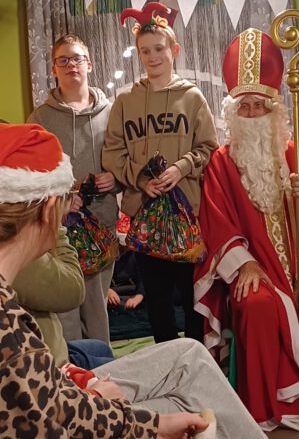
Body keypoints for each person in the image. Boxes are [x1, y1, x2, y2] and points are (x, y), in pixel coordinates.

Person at [0, 122, 267, 439]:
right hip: (79, 410)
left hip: (70, 390)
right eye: (65, 199)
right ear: (48, 211)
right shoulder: (10, 326)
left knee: (189, 361)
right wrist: (112, 407)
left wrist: (151, 423)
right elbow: (51, 423)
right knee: (191, 394)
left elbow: (43, 401)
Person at [194, 28, 299, 432]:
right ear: (233, 112)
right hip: (252, 261)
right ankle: (266, 404)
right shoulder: (220, 163)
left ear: (274, 109)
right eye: (244, 106)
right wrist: (244, 265)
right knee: (258, 306)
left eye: (260, 105)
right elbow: (216, 222)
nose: (252, 114)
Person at [103, 2, 218, 343]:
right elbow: (112, 153)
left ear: (174, 50)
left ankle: (197, 359)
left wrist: (181, 168)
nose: (152, 57)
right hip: (145, 218)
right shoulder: (125, 101)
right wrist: (141, 180)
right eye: (145, 51)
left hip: (188, 215)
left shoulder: (192, 98)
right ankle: (167, 360)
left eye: (158, 49)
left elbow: (209, 148)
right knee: (157, 302)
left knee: (193, 299)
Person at [28, 33, 118, 344]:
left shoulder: (112, 113)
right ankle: (71, 370)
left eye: (77, 58)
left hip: (103, 225)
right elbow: (31, 174)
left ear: (89, 64)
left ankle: (102, 368)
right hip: (58, 228)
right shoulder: (40, 118)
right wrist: (63, 198)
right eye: (63, 60)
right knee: (65, 309)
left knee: (97, 309)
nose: (71, 65)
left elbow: (125, 159)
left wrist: (115, 179)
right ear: (53, 69)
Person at [13, 227, 115, 369]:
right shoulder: (13, 250)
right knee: (120, 368)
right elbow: (73, 291)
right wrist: (56, 228)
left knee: (101, 348)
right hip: (45, 364)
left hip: (48, 346)